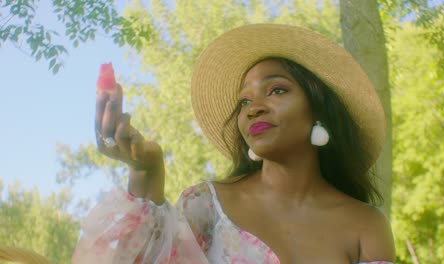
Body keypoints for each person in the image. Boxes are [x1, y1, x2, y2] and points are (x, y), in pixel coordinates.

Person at [72, 24, 395, 263]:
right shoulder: (207, 204)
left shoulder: (366, 225)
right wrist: (146, 172)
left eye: (277, 90)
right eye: (243, 102)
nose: (253, 108)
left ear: (319, 110)